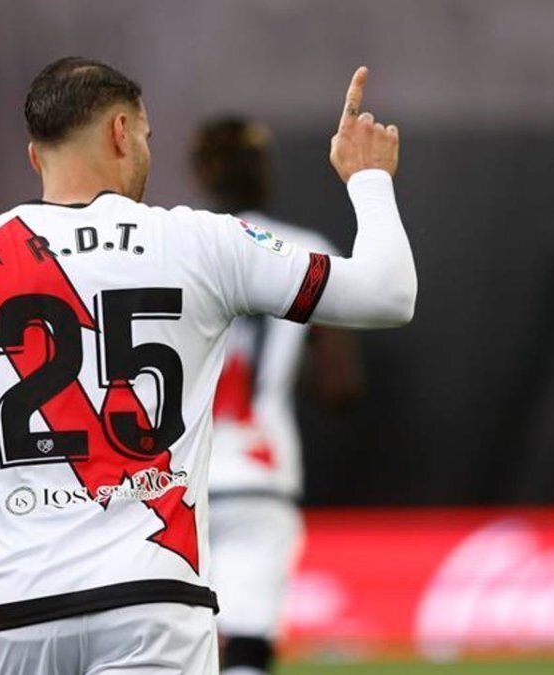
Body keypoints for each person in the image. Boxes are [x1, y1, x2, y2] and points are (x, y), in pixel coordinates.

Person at [0, 57, 415, 675]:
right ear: (119, 130)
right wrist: (369, 179)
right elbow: (388, 294)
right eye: (145, 134)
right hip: (154, 599)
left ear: (37, 157)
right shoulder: (203, 242)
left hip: (13, 606)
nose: (146, 148)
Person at [192, 116, 364, 675]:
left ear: (202, 175)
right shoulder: (305, 250)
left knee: (180, 647)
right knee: (249, 647)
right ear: (265, 173)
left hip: (178, 478)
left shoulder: (176, 245)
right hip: (262, 473)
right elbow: (341, 386)